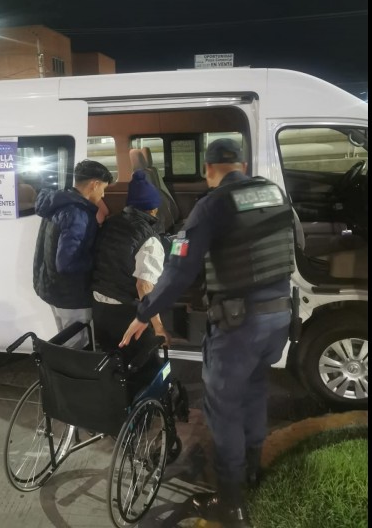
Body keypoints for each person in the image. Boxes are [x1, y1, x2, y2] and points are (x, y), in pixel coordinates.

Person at [119, 138, 295, 528]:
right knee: (254, 392)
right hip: (279, 319)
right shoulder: (274, 192)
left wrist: (144, 314)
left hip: (238, 327)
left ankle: (230, 504)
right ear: (243, 166)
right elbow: (292, 242)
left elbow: (179, 272)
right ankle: (252, 472)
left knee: (224, 410)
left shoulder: (212, 205)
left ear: (209, 170)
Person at [91, 169, 170, 370]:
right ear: (153, 209)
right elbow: (144, 286)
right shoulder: (150, 240)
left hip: (99, 309)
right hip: (125, 313)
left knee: (113, 365)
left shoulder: (111, 223)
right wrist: (158, 327)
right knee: (141, 366)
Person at [32, 159, 114, 349]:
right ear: (94, 184)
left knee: (65, 341)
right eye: (103, 189)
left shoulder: (59, 203)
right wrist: (98, 262)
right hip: (72, 294)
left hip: (52, 288)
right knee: (78, 347)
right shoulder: (78, 214)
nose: (103, 194)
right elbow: (67, 263)